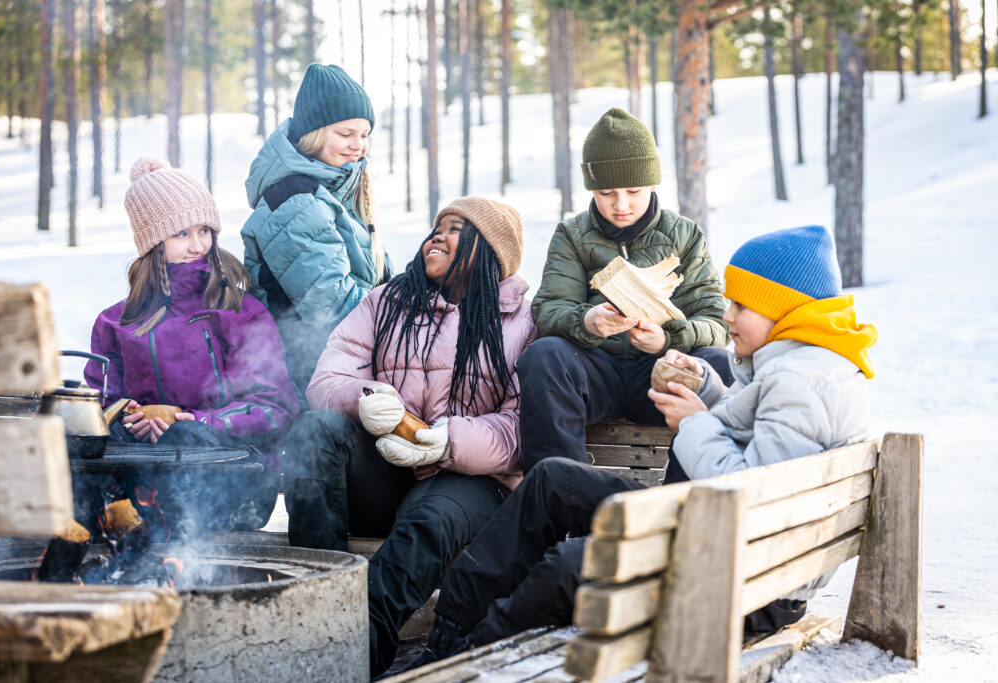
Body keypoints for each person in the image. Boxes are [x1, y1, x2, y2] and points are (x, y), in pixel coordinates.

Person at [411, 224, 878, 665]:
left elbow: (755, 501)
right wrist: (709, 391)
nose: (728, 315)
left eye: (742, 306)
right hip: (722, 546)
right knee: (552, 481)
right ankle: (454, 628)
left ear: (784, 310)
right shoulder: (800, 365)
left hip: (748, 583)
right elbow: (750, 433)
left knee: (575, 564)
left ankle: (468, 657)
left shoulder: (797, 380)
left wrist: (694, 423)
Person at [282, 197, 535, 676]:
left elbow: (521, 428)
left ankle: (347, 657)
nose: (438, 235)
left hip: (471, 481)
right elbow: (325, 381)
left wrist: (449, 441)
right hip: (387, 469)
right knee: (314, 432)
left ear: (490, 251)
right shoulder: (387, 300)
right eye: (437, 225)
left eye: (457, 228)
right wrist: (365, 399)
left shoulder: (521, 320)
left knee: (427, 522)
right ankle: (314, 597)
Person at [83, 156, 299, 533]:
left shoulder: (238, 310)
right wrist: (130, 415)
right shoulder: (116, 323)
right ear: (153, 242)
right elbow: (98, 406)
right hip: (146, 483)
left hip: (235, 481)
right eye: (181, 233)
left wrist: (196, 421)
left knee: (185, 436)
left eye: (205, 230)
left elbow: (275, 407)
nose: (198, 245)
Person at [519, 107, 731, 472]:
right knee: (544, 355)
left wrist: (667, 341)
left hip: (661, 371)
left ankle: (680, 505)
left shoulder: (684, 234)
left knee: (716, 364)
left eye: (634, 190)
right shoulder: (572, 234)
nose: (621, 204)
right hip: (595, 371)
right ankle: (561, 500)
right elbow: (549, 309)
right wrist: (588, 321)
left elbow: (716, 321)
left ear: (652, 183)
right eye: (606, 192)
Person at [241, 63, 390, 396]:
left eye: (364, 135)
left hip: (344, 364)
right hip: (307, 376)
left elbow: (379, 279)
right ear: (315, 133)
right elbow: (333, 308)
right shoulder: (294, 198)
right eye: (345, 133)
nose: (358, 145)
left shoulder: (336, 190)